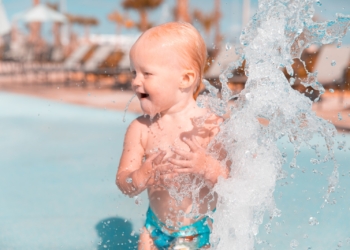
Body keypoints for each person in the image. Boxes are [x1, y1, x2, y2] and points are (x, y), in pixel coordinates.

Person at [116, 22, 228, 250]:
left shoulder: (211, 127)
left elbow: (232, 183)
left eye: (146, 73)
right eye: (133, 72)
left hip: (201, 230)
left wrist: (207, 166)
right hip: (155, 228)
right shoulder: (140, 129)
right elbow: (123, 182)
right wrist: (139, 177)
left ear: (185, 79)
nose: (136, 81)